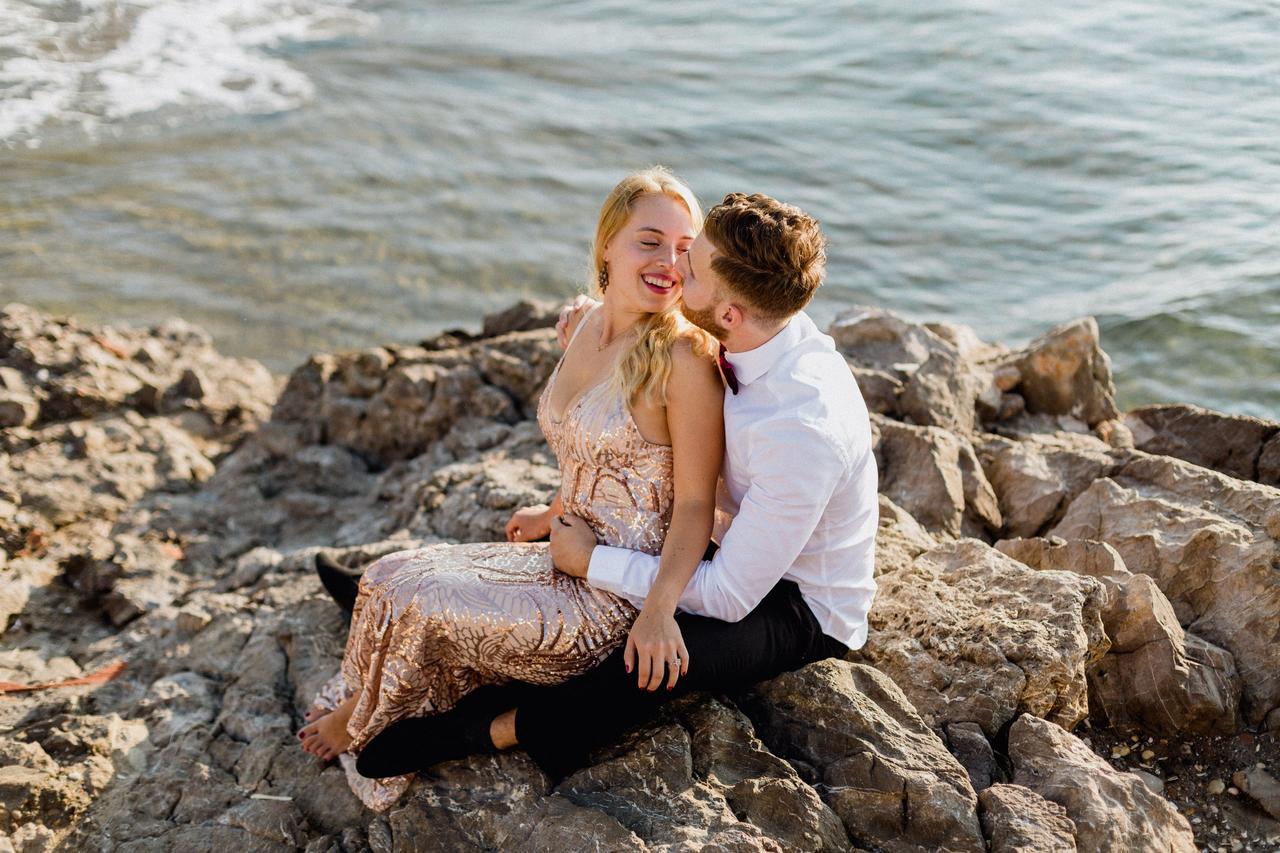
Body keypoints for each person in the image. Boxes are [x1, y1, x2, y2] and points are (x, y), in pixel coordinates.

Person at [353, 191, 879, 783]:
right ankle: (411, 602)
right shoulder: (763, 316)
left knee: (648, 661)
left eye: (692, 266)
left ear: (728, 313)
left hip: (797, 602)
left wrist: (590, 561)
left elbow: (730, 595)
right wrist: (608, 317)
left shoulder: (801, 431)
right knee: (569, 569)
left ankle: (498, 728)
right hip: (729, 537)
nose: (677, 270)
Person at [297, 167, 724, 811]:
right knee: (386, 575)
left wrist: (662, 610)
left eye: (685, 248)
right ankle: (369, 695)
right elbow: (598, 453)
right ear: (607, 243)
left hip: (612, 599)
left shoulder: (684, 361)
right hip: (561, 554)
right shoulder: (584, 327)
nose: (669, 262)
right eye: (650, 241)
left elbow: (694, 503)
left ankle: (361, 718)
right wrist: (553, 511)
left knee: (422, 605)